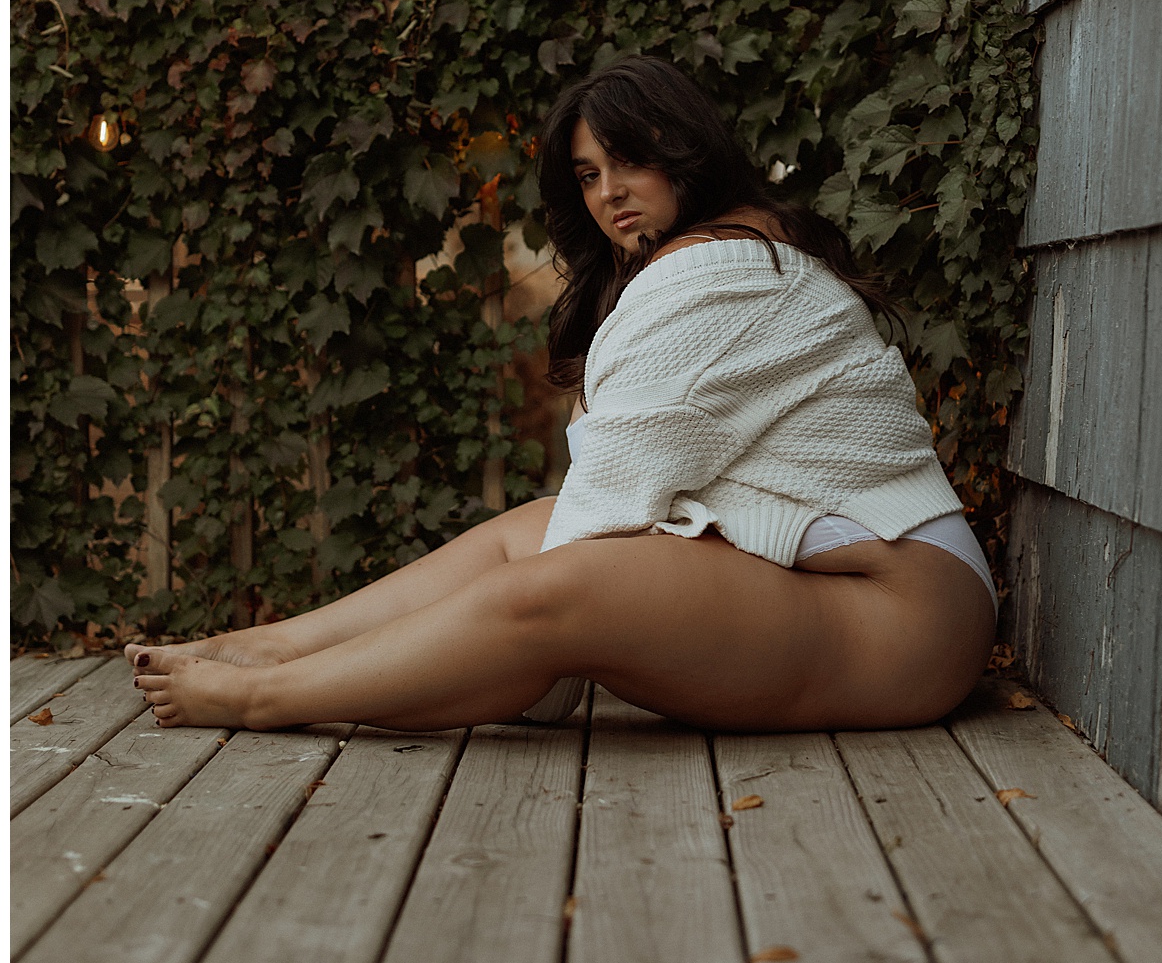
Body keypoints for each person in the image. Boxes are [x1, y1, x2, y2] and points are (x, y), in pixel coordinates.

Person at [126, 56, 997, 734]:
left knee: (553, 581)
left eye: (629, 162)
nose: (608, 192)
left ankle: (266, 697)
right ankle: (265, 645)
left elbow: (609, 521)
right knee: (525, 533)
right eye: (586, 175)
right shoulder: (714, 255)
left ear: (686, 153)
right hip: (859, 591)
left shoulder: (719, 272)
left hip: (906, 621)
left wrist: (525, 664)